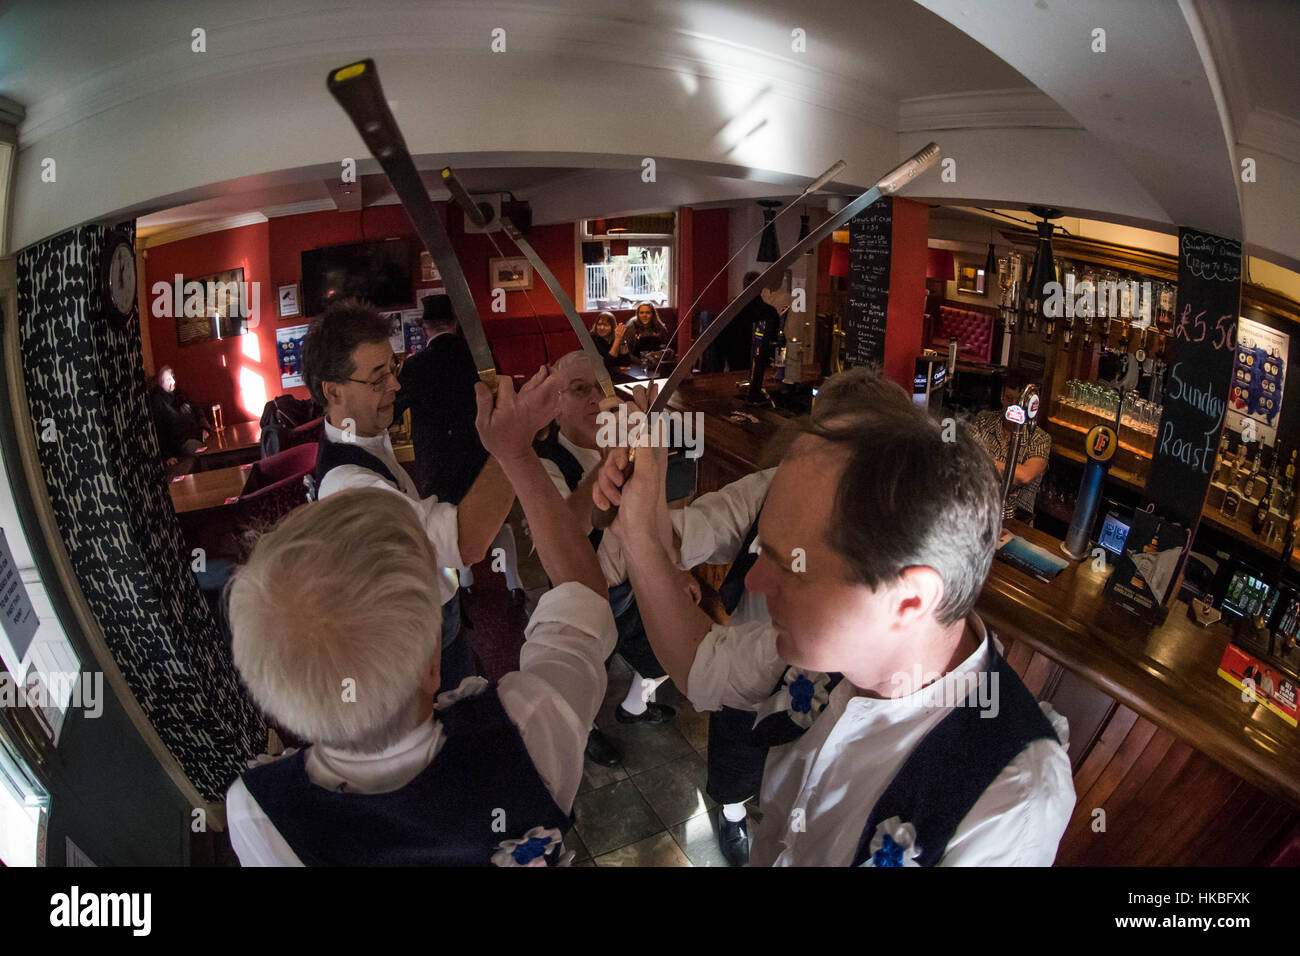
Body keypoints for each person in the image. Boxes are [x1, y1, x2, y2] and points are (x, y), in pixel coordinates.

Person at [594, 381, 1075, 866]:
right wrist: (638, 520)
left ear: (908, 599)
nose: (754, 580)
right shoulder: (848, 646)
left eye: (790, 566)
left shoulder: (1010, 799)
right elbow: (699, 664)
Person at [225, 369, 617, 865]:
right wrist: (516, 452)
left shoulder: (257, 810)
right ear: (432, 665)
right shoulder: (526, 733)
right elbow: (582, 595)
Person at [594, 367, 917, 866]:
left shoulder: (887, 570)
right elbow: (680, 541)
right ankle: (732, 815)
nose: (760, 577)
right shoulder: (776, 485)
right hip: (750, 659)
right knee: (736, 763)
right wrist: (646, 486)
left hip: (797, 686)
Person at [300, 298, 517, 693]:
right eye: (378, 377)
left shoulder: (361, 438)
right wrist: (514, 443)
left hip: (437, 613)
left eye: (394, 368)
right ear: (333, 391)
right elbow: (464, 543)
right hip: (415, 637)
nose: (396, 385)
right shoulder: (350, 485)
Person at [530, 350, 690, 768]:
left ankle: (634, 707)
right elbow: (566, 532)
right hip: (584, 594)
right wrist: (606, 462)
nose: (591, 401)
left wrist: (676, 569)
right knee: (583, 674)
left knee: (662, 658)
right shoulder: (546, 464)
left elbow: (660, 511)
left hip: (636, 581)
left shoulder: (630, 446)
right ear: (555, 403)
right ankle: (585, 732)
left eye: (599, 390)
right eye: (579, 390)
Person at [394, 294, 489, 504]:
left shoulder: (415, 365)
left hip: (435, 462)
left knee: (442, 527)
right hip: (478, 454)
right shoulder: (479, 359)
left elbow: (392, 411)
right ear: (455, 324)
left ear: (425, 327)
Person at [970, 376, 1052, 523]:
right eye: (1009, 399)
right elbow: (966, 462)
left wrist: (982, 464)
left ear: (1031, 405)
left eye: (1020, 403)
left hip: (1015, 521)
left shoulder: (1040, 438)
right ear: (1001, 398)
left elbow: (1024, 476)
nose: (1014, 407)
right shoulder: (984, 420)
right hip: (978, 510)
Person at [149, 365, 211, 477]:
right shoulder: (158, 402)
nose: (173, 380)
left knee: (220, 444)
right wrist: (167, 456)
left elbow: (197, 409)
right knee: (207, 454)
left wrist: (204, 427)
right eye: (168, 379)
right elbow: (159, 431)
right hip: (183, 442)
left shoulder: (180, 394)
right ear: (161, 382)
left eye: (173, 376)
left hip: (197, 434)